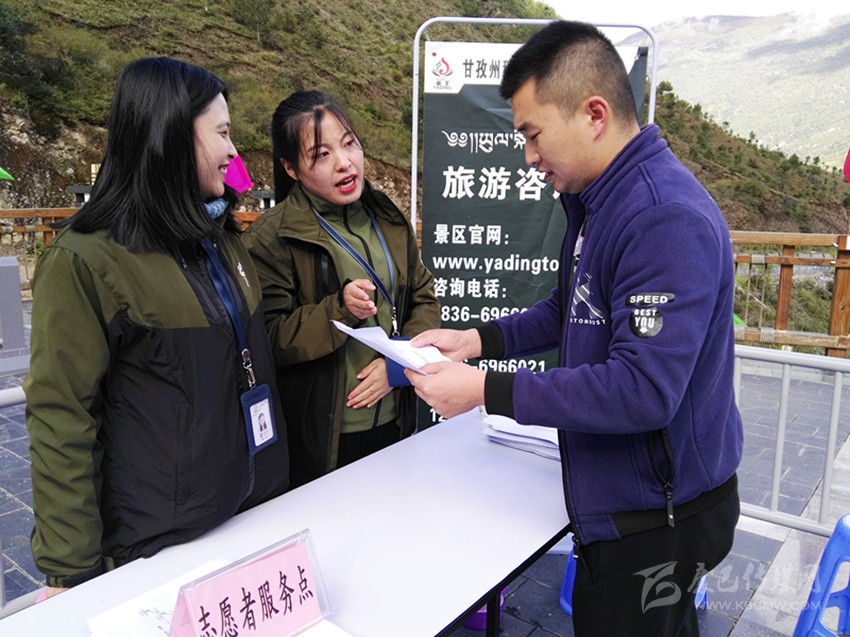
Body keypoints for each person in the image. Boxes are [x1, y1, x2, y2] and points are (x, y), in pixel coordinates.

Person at [406, 21, 743, 637]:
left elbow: (642, 389)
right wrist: (476, 342)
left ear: (593, 114)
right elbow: (570, 308)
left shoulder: (662, 217)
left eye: (533, 135)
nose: (529, 157)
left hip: (659, 520)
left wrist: (484, 390)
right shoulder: (599, 202)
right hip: (628, 503)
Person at [24, 57, 290, 595]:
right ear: (171, 136)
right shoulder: (85, 260)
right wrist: (71, 572)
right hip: (161, 550)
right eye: (222, 133)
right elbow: (62, 417)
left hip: (253, 515)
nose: (233, 152)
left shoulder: (218, 238)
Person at [242, 90, 440, 487]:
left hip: (395, 419)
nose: (344, 162)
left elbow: (422, 295)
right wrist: (339, 309)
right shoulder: (272, 238)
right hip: (322, 441)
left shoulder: (387, 219)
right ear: (291, 168)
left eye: (349, 143)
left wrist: (397, 367)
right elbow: (269, 338)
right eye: (321, 155)